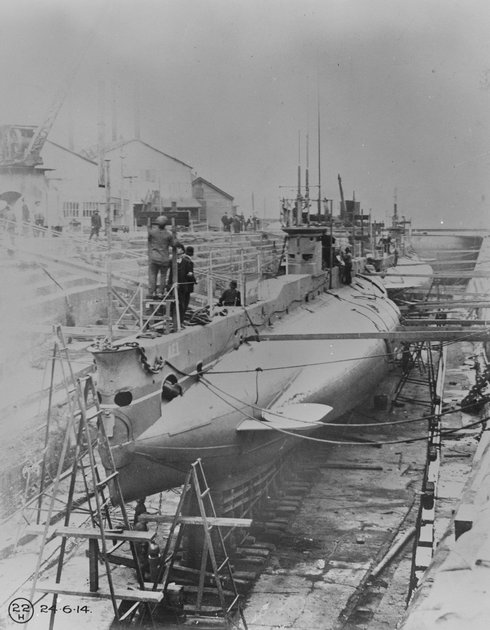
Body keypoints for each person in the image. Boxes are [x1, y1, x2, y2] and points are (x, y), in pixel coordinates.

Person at [167, 243, 195, 325]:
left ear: (182, 250)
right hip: (173, 287)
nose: (177, 250)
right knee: (173, 305)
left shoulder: (186, 262)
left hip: (183, 288)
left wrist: (190, 274)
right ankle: (174, 321)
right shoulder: (171, 262)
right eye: (176, 248)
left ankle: (180, 322)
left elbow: (190, 274)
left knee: (182, 305)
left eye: (179, 248)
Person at [148, 216, 174, 298]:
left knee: (153, 275)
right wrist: (174, 234)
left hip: (154, 258)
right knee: (163, 276)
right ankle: (160, 292)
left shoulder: (152, 232)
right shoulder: (168, 234)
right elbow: (173, 244)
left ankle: (152, 292)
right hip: (164, 259)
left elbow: (149, 239)